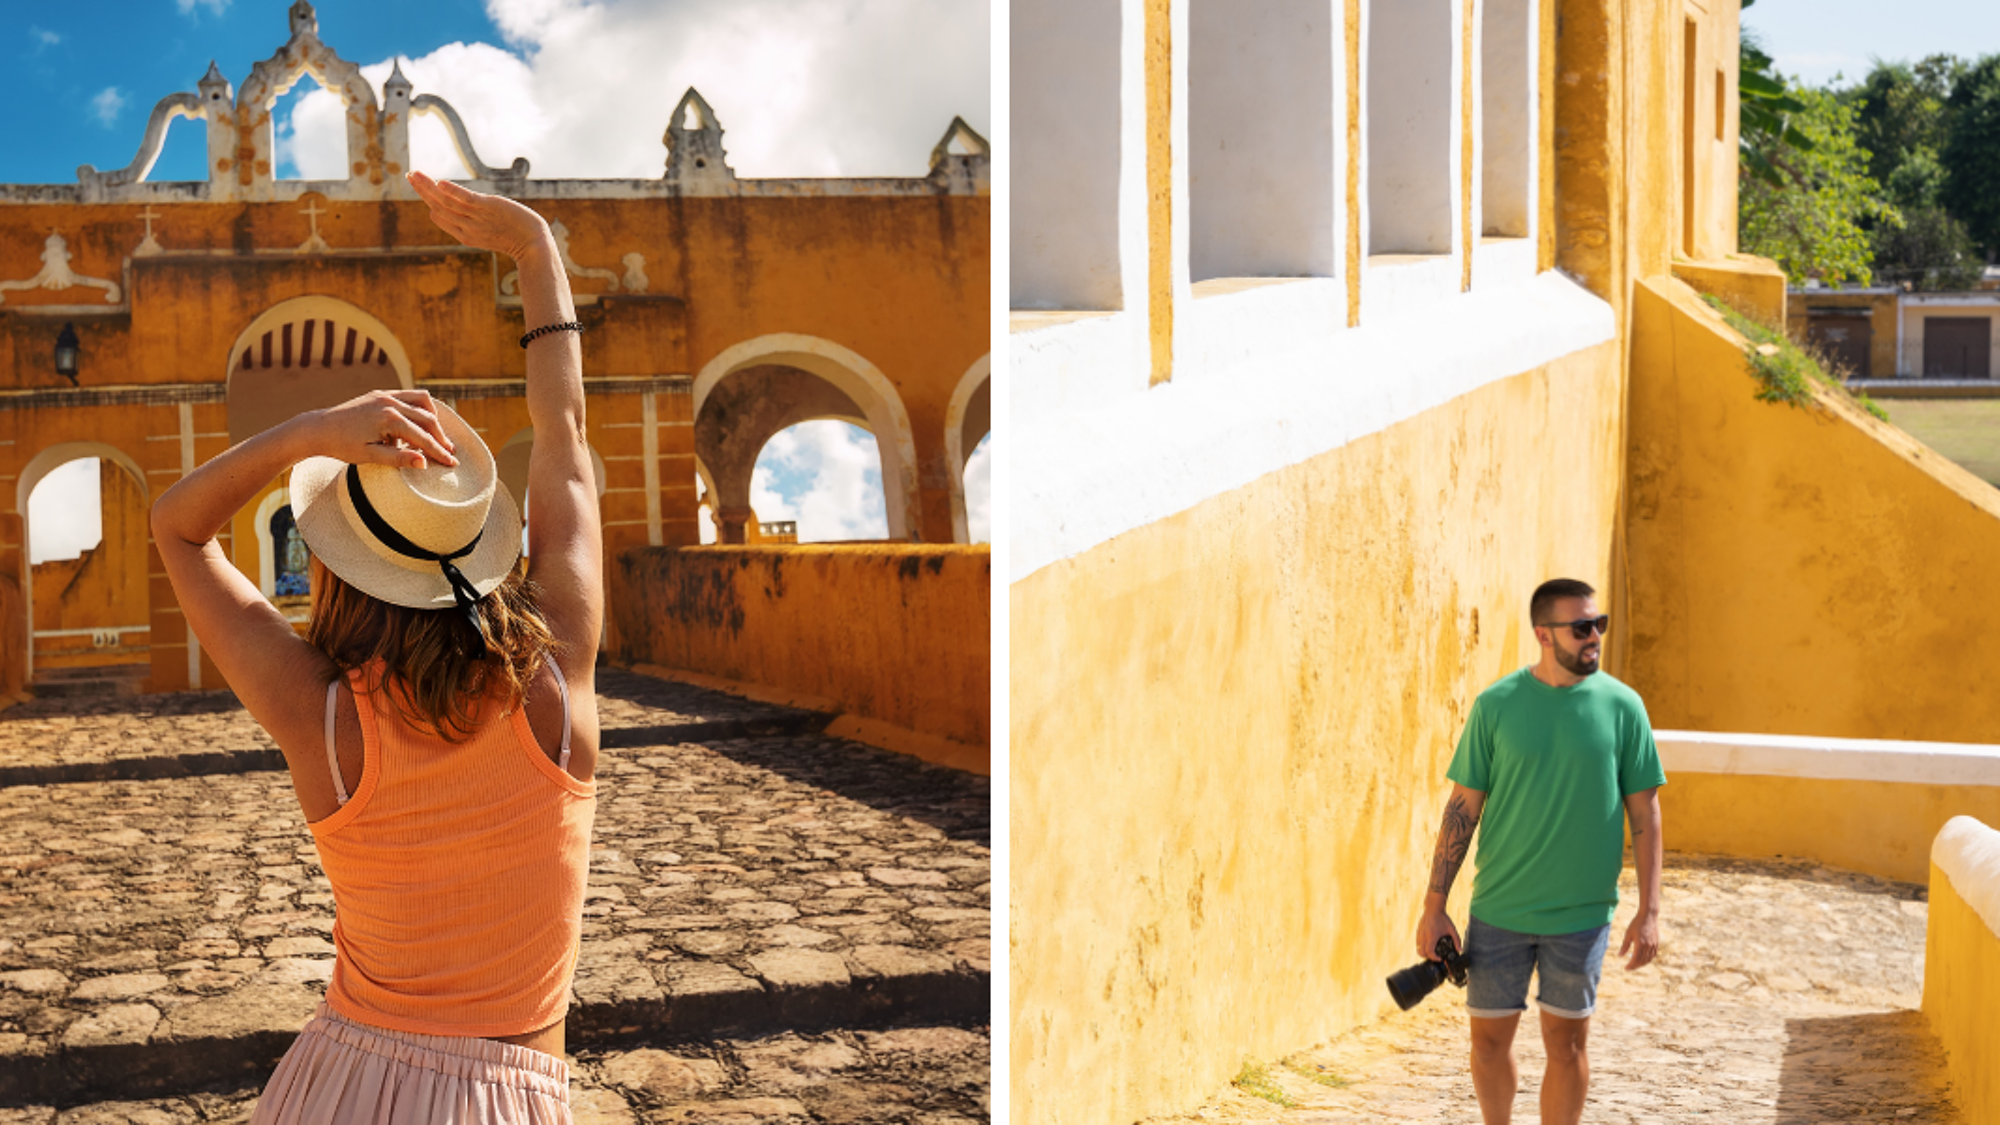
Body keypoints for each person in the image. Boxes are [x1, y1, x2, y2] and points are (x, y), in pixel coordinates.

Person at [152, 169, 601, 1123]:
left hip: (336, 1085)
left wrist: (313, 431)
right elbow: (564, 434)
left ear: (335, 561)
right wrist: (537, 255)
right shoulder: (556, 678)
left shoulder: (321, 712)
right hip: (505, 1095)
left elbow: (177, 528)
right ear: (482, 542)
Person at [1414, 578, 1665, 1125]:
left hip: (1581, 915)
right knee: (1486, 1043)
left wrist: (1649, 912)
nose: (1594, 636)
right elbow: (1463, 809)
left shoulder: (1624, 707)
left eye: (1599, 624)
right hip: (1499, 909)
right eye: (1581, 627)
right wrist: (1435, 906)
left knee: (1567, 1044)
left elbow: (1644, 813)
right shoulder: (1496, 706)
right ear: (1543, 635)